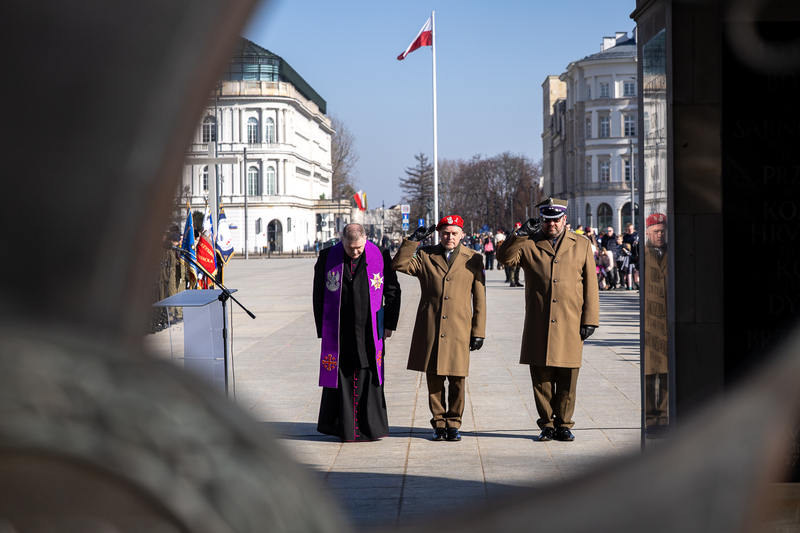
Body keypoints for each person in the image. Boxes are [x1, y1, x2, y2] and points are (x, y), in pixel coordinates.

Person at [496, 198, 599, 442]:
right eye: (547, 220)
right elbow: (505, 259)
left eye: (555, 220)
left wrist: (590, 320)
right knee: (541, 378)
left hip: (570, 321)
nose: (551, 224)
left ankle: (564, 424)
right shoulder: (529, 243)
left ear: (565, 220)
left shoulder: (581, 244)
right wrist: (520, 234)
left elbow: (591, 285)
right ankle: (547, 425)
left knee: (567, 376)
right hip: (539, 321)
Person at [392, 215, 486, 442]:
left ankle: (454, 423)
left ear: (462, 234)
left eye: (454, 233)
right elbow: (399, 264)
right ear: (439, 234)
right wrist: (412, 241)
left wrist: (478, 331)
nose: (449, 237)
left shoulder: (474, 259)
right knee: (433, 378)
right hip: (431, 326)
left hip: (459, 328)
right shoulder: (425, 255)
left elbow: (480, 299)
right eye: (445, 233)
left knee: (457, 379)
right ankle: (439, 423)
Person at [313, 223, 401, 442]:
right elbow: (318, 294)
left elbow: (392, 290)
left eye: (359, 248)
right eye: (350, 248)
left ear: (365, 240)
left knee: (368, 371)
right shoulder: (327, 257)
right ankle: (343, 427)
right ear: (341, 240)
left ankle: (369, 427)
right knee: (341, 375)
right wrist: (322, 328)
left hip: (369, 329)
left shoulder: (379, 255)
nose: (354, 252)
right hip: (340, 331)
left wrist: (389, 324)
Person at [643, 213, 668, 437]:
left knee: (668, 374)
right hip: (650, 324)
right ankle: (651, 419)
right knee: (650, 375)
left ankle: (665, 416)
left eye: (662, 231)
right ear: (648, 233)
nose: (659, 235)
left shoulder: (673, 252)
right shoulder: (643, 254)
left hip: (668, 322)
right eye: (656, 231)